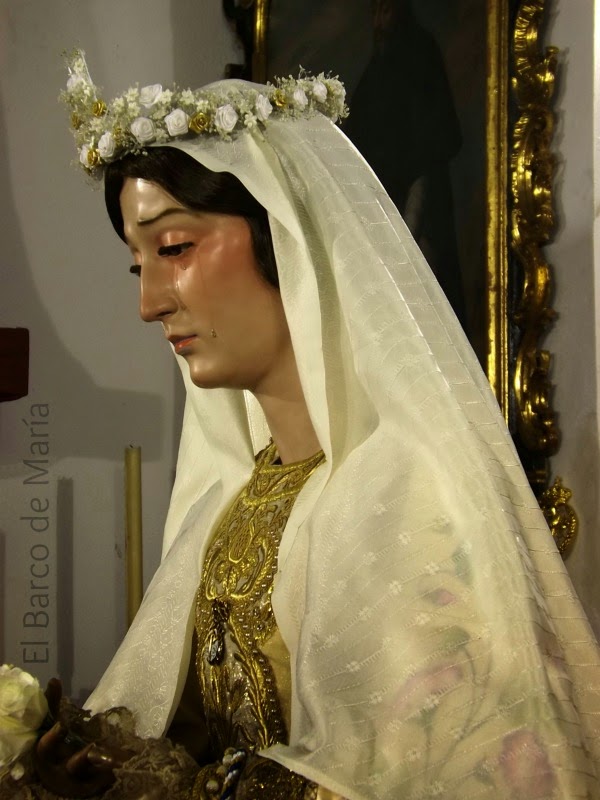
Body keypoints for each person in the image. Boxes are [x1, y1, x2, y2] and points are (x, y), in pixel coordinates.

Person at [20, 51, 600, 799]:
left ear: (285, 236)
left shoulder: (409, 500)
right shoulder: (227, 504)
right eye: (139, 265)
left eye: (174, 248)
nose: (150, 302)